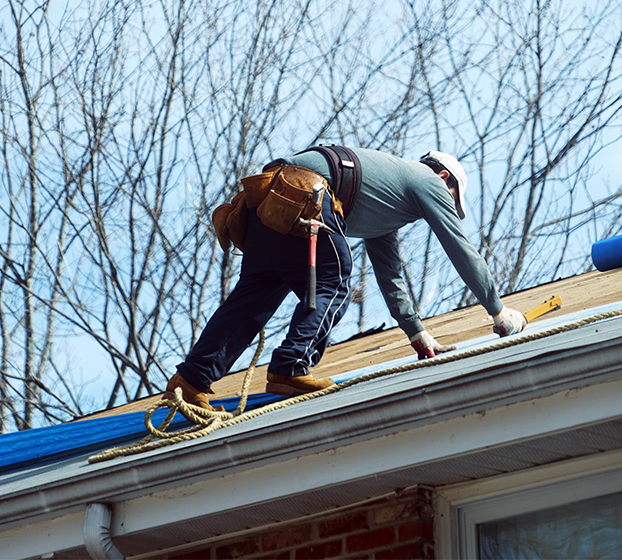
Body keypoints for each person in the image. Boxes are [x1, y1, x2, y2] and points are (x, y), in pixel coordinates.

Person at [164, 147, 526, 410]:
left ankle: (191, 379)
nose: (445, 205)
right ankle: (291, 366)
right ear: (443, 178)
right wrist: (498, 310)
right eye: (450, 198)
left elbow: (390, 272)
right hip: (307, 192)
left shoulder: (385, 203)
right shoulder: (426, 180)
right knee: (334, 278)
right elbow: (459, 247)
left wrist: (416, 332)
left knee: (255, 294)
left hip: (269, 198)